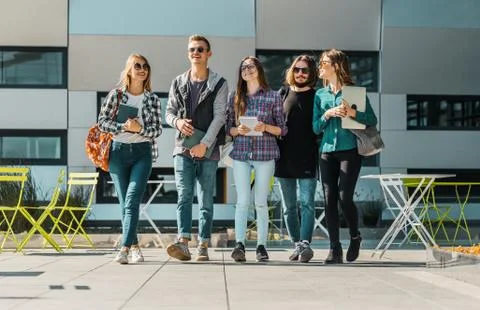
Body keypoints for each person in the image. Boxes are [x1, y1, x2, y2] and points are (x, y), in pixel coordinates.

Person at [165, 35, 228, 261]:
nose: (196, 53)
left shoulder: (219, 83)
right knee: (184, 195)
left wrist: (205, 144)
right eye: (192, 49)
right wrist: (177, 122)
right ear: (188, 53)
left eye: (201, 49)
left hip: (208, 151)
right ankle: (183, 242)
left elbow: (220, 116)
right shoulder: (178, 82)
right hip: (182, 148)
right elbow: (168, 112)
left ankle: (203, 243)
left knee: (205, 200)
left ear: (208, 54)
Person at [313, 49, 377, 264]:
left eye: (324, 63)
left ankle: (355, 236)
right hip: (326, 151)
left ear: (337, 66)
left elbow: (371, 119)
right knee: (329, 200)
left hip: (350, 150)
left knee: (344, 197)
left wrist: (352, 113)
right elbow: (314, 128)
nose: (320, 66)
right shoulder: (320, 95)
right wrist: (326, 114)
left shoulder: (354, 92)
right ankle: (334, 249)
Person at [98, 53, 162, 264]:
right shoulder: (115, 95)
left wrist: (139, 129)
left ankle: (124, 248)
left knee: (133, 199)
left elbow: (157, 130)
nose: (142, 69)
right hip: (117, 152)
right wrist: (122, 127)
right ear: (129, 70)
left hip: (142, 153)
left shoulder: (152, 99)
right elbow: (102, 123)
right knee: (125, 202)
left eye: (145, 66)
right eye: (137, 65)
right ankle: (135, 246)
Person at [227, 56, 288, 262]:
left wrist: (265, 127)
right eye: (243, 67)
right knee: (242, 201)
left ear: (259, 70)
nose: (247, 70)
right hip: (241, 154)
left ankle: (261, 246)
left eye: (250, 66)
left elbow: (283, 129)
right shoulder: (235, 97)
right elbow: (228, 129)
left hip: (265, 154)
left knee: (260, 202)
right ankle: (240, 244)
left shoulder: (273, 97)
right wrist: (238, 130)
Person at [275, 55, 319, 263]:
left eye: (305, 71)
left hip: (308, 158)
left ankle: (305, 244)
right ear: (292, 71)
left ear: (311, 74)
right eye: (297, 70)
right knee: (288, 207)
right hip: (283, 158)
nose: (300, 74)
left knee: (307, 204)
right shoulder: (282, 93)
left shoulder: (317, 96)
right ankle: (297, 244)